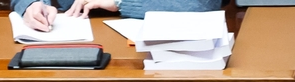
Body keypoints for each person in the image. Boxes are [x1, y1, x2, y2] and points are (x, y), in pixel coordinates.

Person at [16, 0, 223, 32]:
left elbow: (203, 4)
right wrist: (31, 4)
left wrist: (119, 2)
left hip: (147, 39)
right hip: (70, 27)